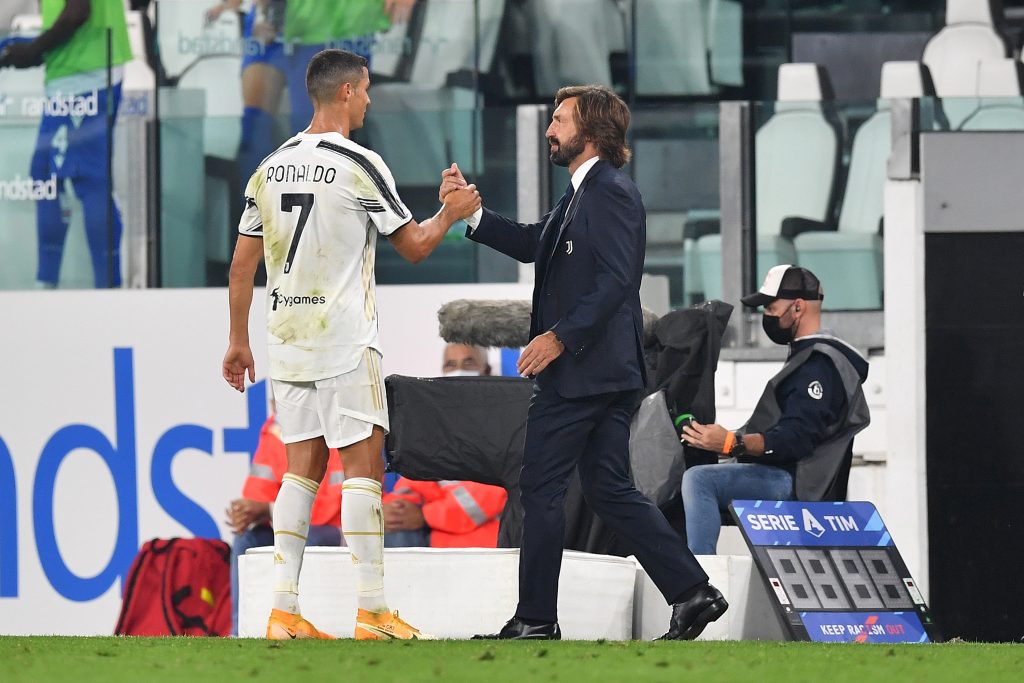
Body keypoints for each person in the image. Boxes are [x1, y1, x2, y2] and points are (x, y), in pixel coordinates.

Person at [441, 85, 726, 641]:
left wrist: (559, 338)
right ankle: (693, 592)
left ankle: (536, 619)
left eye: (560, 119)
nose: (550, 128)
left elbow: (618, 281)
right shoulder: (580, 195)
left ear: (591, 132)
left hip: (585, 374)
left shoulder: (610, 193)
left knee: (540, 487)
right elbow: (531, 243)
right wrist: (474, 215)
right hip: (600, 374)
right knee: (609, 489)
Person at [221, 48, 480, 640]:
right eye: (364, 90)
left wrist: (238, 341)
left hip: (285, 338)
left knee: (300, 471)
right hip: (342, 339)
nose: (368, 99)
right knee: (362, 470)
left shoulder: (270, 166)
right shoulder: (358, 163)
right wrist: (452, 212)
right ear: (344, 93)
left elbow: (241, 268)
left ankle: (283, 612)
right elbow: (413, 244)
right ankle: (373, 610)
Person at [679, 265, 871, 555]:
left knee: (699, 480)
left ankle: (701, 580)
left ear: (797, 307)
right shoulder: (808, 356)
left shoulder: (819, 364)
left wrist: (732, 444)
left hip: (800, 482)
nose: (765, 317)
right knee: (692, 469)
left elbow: (796, 440)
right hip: (784, 472)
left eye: (770, 308)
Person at [0, 0, 130, 288]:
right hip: (77, 66)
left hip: (86, 71)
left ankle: (104, 290)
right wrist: (36, 49)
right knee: (50, 174)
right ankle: (63, 284)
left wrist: (34, 49)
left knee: (85, 179)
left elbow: (77, 11)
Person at [226, 409, 345, 636]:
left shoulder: (340, 425)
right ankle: (240, 629)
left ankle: (297, 619)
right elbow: (257, 493)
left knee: (309, 536)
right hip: (288, 523)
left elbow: (331, 509)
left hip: (335, 529)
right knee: (247, 538)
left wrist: (267, 509)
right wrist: (248, 513)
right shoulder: (275, 429)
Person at [383, 343, 508, 548]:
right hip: (436, 542)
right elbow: (412, 482)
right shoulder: (434, 423)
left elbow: (486, 497)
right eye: (451, 364)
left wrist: (425, 514)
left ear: (486, 371)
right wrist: (393, 510)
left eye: (469, 363)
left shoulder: (501, 422)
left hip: (483, 547)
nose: (458, 370)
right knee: (392, 530)